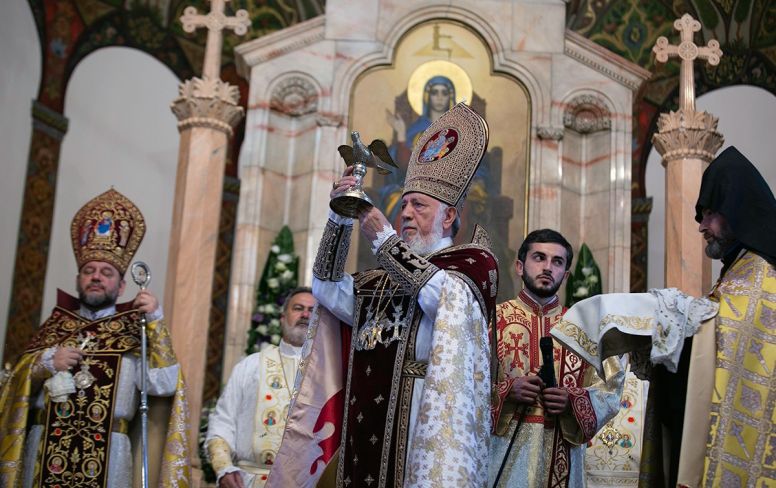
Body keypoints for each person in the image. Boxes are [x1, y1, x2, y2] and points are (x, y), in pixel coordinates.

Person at [268, 102, 499, 487]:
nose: (406, 212)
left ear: (448, 217)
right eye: (403, 204)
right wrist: (340, 216)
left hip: (426, 422)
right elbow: (326, 288)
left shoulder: (472, 263)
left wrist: (381, 236)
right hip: (367, 429)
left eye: (419, 206)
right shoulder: (379, 280)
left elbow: (441, 297)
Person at [549, 146, 775, 487]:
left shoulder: (760, 276)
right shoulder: (738, 273)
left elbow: (723, 341)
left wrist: (667, 317)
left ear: (737, 211)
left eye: (711, 213)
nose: (702, 226)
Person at [0, 188, 190, 488]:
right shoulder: (55, 328)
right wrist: (46, 362)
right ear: (78, 280)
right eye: (89, 271)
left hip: (110, 453)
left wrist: (155, 321)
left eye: (106, 272)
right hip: (45, 448)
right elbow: (11, 385)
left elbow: (165, 385)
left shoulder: (135, 331)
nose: (97, 277)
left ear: (123, 285)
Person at [489, 229, 625, 488]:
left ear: (566, 274)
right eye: (539, 258)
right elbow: (463, 386)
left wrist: (573, 399)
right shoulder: (492, 320)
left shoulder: (583, 329)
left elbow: (610, 390)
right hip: (501, 453)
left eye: (557, 262)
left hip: (562, 452)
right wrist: (506, 391)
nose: (548, 267)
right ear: (519, 266)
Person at [205, 287, 316, 488]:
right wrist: (223, 468)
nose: (305, 315)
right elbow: (223, 420)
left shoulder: (327, 373)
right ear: (283, 318)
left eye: (312, 310)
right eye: (298, 308)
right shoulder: (250, 365)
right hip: (250, 481)